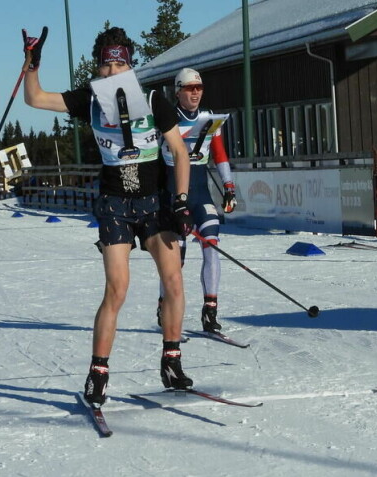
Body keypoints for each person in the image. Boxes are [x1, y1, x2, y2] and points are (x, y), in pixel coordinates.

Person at [21, 26, 194, 407]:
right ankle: (98, 372)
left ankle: (171, 361)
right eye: (107, 62)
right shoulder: (90, 101)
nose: (114, 69)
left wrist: (180, 201)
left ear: (130, 64)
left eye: (121, 61)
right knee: (117, 289)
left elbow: (180, 152)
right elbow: (34, 99)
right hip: (115, 205)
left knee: (174, 282)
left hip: (154, 204)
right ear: (98, 67)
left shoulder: (153, 99)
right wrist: (32, 63)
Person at [157, 68, 237, 334]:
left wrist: (229, 186)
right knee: (175, 257)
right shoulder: (166, 117)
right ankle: (165, 306)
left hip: (201, 192)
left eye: (199, 88)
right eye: (190, 88)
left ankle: (210, 311)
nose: (195, 92)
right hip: (173, 193)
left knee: (212, 244)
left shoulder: (208, 118)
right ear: (178, 91)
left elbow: (220, 154)